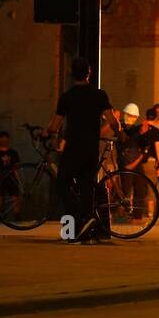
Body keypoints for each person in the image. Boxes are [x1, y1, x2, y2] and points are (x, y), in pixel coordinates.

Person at [47, 57, 119, 243]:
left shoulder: (67, 97)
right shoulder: (99, 95)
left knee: (62, 183)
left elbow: (55, 125)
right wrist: (118, 131)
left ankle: (75, 222)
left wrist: (46, 133)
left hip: (73, 147)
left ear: (72, 74)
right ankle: (86, 231)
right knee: (87, 187)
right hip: (91, 148)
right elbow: (113, 122)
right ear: (89, 73)